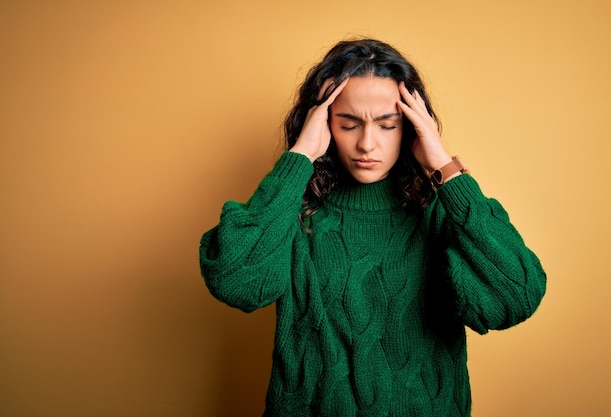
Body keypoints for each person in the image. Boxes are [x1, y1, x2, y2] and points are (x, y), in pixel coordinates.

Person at [199, 38, 546, 416]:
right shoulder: (293, 210)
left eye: (387, 125)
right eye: (348, 124)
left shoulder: (440, 212)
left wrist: (446, 170)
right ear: (323, 124)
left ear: (411, 128)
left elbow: (515, 298)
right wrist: (299, 157)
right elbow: (236, 282)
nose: (367, 144)